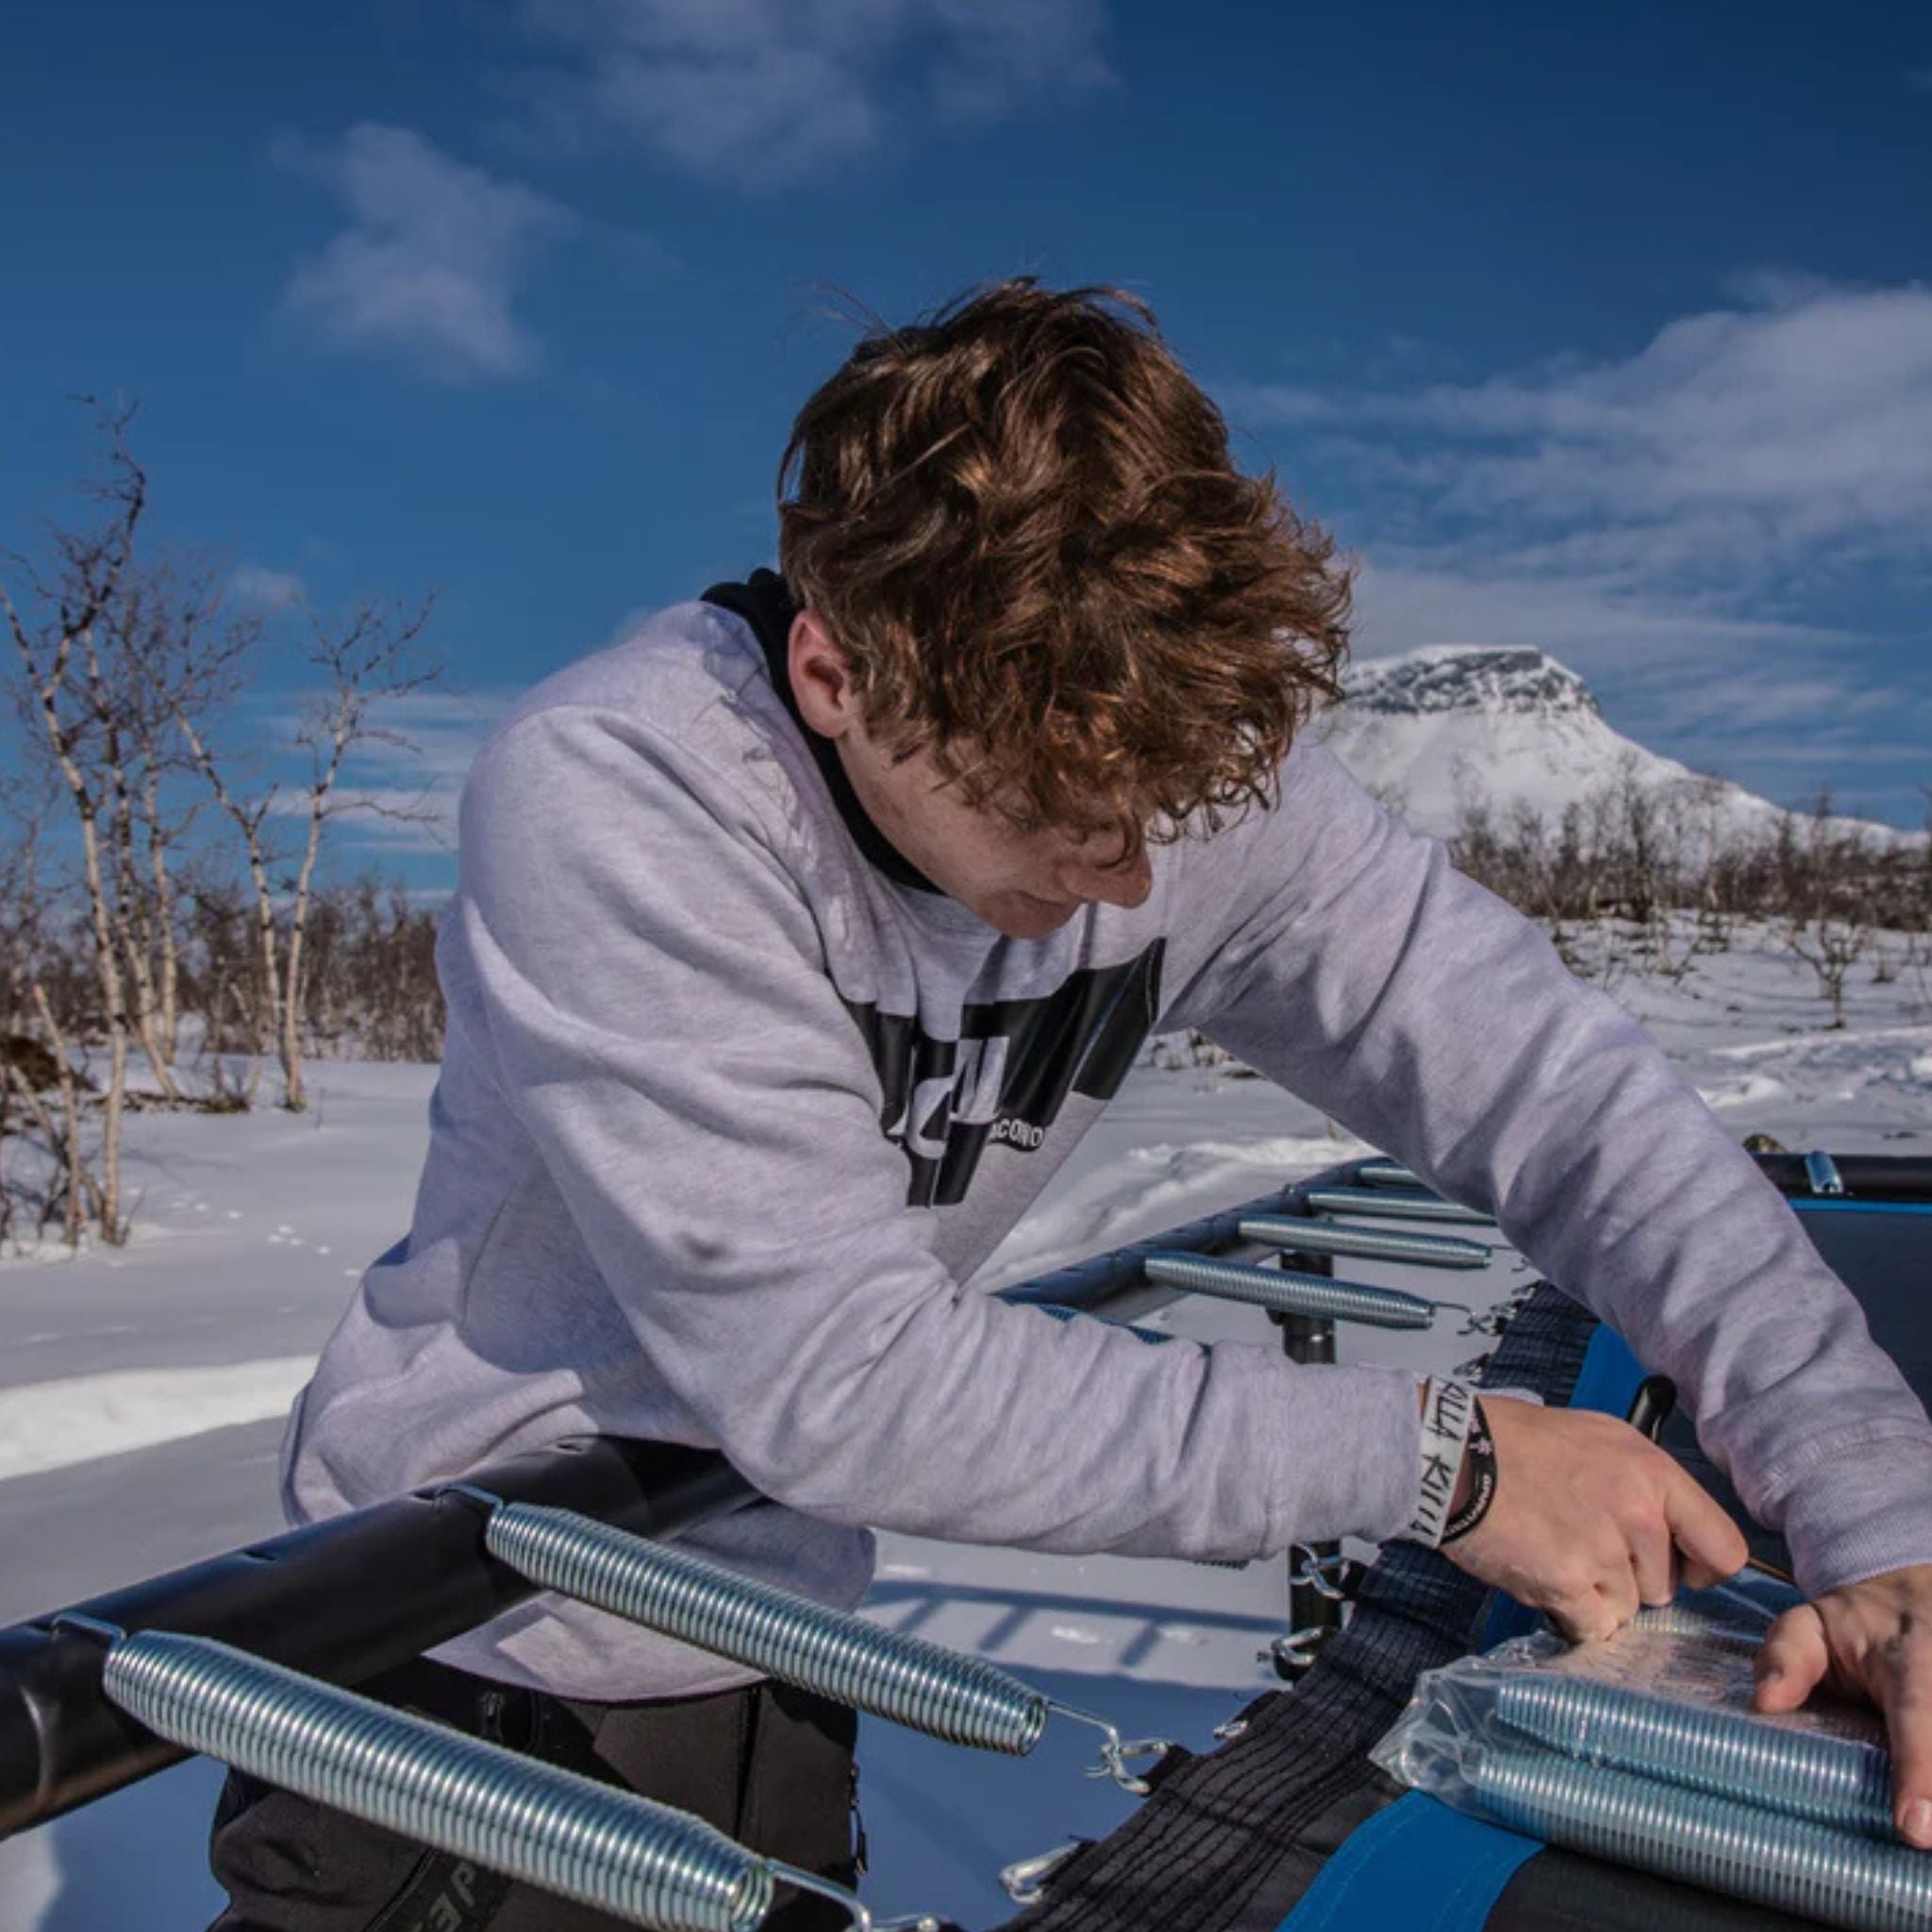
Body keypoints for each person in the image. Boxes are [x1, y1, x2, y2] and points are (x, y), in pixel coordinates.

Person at [208, 278, 1932, 1931]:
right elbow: (841, 1377)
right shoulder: (631, 792)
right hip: (461, 1657)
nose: (1123, 875)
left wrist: (1880, 1515)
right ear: (836, 676)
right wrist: (1443, 1465)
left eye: (1161, 809)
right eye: (1053, 811)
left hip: (778, 1628)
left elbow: (1571, 1107)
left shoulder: (1166, 771)